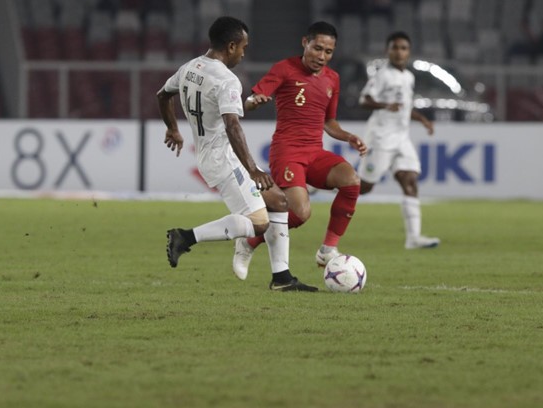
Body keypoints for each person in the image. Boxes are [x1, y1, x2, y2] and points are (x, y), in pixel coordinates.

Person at [157, 16, 317, 292]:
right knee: (258, 223)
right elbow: (232, 125)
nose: (244, 54)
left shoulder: (190, 67)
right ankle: (185, 237)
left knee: (279, 202)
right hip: (225, 159)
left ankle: (282, 277)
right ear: (231, 46)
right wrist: (253, 169)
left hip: (209, 156)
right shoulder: (227, 79)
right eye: (243, 47)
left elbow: (163, 94)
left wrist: (173, 128)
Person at [232, 21, 368, 280]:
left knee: (351, 181)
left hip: (314, 153)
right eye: (318, 48)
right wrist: (254, 101)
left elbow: (329, 122)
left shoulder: (332, 79)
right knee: (300, 213)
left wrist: (348, 136)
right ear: (305, 43)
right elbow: (249, 101)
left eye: (328, 52)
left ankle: (328, 249)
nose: (322, 56)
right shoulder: (284, 69)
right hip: (287, 152)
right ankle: (248, 242)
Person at [357, 31, 440, 249]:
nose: (399, 52)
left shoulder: (408, 77)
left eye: (403, 48)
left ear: (408, 51)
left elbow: (404, 107)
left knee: (409, 179)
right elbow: (364, 100)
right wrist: (385, 105)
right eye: (395, 47)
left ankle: (413, 238)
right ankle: (320, 184)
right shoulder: (382, 75)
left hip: (402, 137)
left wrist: (422, 119)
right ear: (388, 51)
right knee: (364, 187)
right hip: (381, 137)